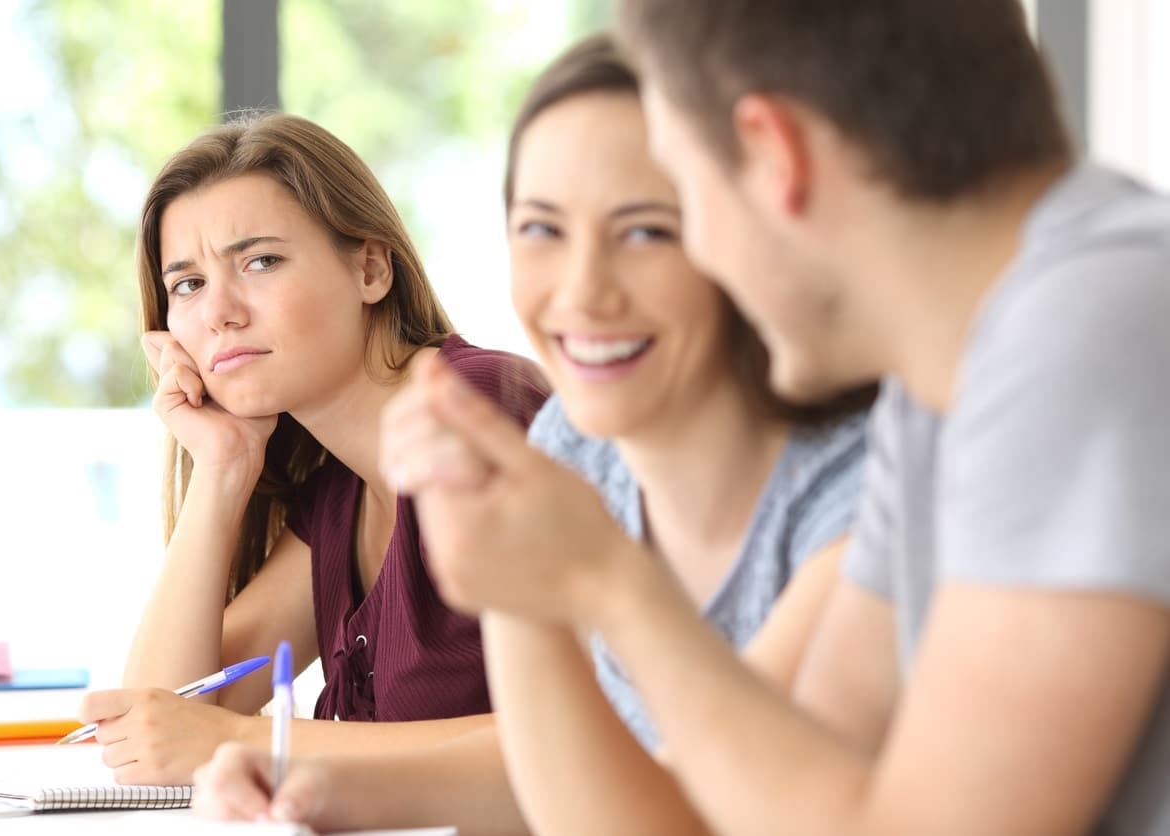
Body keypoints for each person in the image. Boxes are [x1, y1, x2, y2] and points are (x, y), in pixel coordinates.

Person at [368, 2, 1170, 835]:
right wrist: (521, 579)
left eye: (675, 204)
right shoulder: (935, 392)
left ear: (770, 153)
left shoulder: (1084, 329)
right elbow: (759, 817)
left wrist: (608, 581)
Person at [190, 36, 872, 831]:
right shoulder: (574, 451)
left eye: (647, 230)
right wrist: (311, 785)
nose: (582, 292)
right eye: (542, 230)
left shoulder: (859, 493)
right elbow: (568, 773)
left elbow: (709, 802)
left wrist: (594, 576)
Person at [74, 112, 549, 792]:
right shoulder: (339, 487)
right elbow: (160, 727)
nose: (220, 313)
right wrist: (222, 467)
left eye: (260, 261)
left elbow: (583, 739)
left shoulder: (479, 416)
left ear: (371, 269)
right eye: (188, 284)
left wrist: (241, 741)